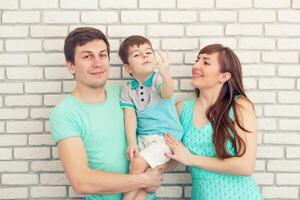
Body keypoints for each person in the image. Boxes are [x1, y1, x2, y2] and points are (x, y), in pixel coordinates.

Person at [49, 27, 164, 200]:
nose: (98, 63)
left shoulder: (127, 93)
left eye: (102, 55)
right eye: (87, 56)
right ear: (71, 65)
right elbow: (81, 182)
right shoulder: (65, 113)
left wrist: (158, 170)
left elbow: (165, 139)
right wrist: (144, 179)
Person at [164, 44, 263, 200]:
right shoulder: (182, 109)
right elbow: (175, 157)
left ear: (224, 76)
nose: (196, 66)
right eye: (197, 60)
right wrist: (146, 173)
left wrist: (192, 159)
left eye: (206, 62)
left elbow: (245, 166)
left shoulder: (239, 106)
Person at [118, 35, 183, 200]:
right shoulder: (127, 88)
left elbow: (167, 94)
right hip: (144, 137)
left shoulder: (158, 79)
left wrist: (166, 73)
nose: (145, 56)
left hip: (165, 138)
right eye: (137, 55)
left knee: (137, 164)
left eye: (148, 52)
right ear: (128, 68)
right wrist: (132, 142)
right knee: (143, 187)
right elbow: (130, 116)